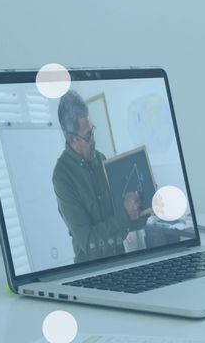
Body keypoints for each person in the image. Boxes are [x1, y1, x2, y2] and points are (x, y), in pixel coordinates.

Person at [52, 90, 150, 262]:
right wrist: (125, 215)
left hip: (120, 261)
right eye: (88, 135)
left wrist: (146, 208)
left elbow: (123, 221)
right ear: (72, 139)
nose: (94, 141)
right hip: (91, 272)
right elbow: (90, 243)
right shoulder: (62, 177)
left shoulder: (100, 159)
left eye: (92, 131)